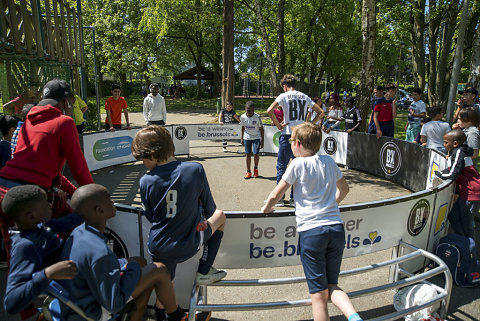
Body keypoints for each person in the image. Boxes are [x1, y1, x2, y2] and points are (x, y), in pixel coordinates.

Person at [261, 122, 363, 321]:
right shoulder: (329, 161)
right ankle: (353, 316)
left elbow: (276, 194)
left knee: (318, 294)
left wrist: (267, 208)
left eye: (291, 141)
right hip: (335, 228)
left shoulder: (297, 164)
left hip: (312, 232)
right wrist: (329, 205)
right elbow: (344, 189)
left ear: (297, 144)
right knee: (331, 285)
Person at [0, 79, 93, 268]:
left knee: (16, 259)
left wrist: (74, 191)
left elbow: (50, 173)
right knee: (75, 221)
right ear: (66, 103)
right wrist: (92, 195)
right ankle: (69, 280)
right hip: (29, 195)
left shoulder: (28, 122)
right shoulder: (64, 122)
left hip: (3, 191)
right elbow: (79, 167)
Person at [58, 184, 186, 321]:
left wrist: (130, 265)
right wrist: (132, 269)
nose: (113, 202)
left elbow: (98, 268)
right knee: (159, 270)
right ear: (99, 210)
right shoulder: (99, 252)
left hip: (82, 300)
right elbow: (113, 304)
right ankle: (177, 316)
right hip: (93, 313)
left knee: (140, 262)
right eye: (109, 199)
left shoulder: (79, 232)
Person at [131, 126, 227, 303]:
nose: (142, 162)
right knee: (220, 216)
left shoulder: (145, 180)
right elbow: (210, 210)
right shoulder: (194, 169)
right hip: (187, 244)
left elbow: (151, 216)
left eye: (142, 158)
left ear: (153, 154)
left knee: (166, 284)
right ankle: (204, 270)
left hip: (158, 245)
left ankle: (163, 316)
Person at [2, 185, 77, 316]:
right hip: (73, 291)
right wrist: (47, 274)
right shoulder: (25, 246)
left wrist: (85, 212)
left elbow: (63, 223)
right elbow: (11, 303)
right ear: (30, 216)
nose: (50, 205)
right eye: (45, 204)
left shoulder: (37, 226)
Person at [266, 74, 324, 205]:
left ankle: (280, 198)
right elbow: (321, 112)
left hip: (288, 135)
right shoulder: (305, 96)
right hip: (302, 136)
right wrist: (309, 124)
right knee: (299, 167)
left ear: (285, 86)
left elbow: (269, 110)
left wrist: (279, 124)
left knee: (282, 166)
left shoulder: (283, 96)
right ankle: (294, 198)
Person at [435, 130, 480, 240]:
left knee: (467, 225)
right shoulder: (457, 152)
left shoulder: (459, 152)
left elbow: (453, 173)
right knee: (453, 216)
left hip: (471, 193)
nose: (444, 145)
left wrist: (439, 174)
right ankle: (463, 241)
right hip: (466, 192)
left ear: (455, 144)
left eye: (446, 142)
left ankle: (469, 250)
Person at [240, 101, 264, 179]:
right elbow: (243, 127)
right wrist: (242, 138)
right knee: (248, 154)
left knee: (256, 153)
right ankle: (248, 171)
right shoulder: (243, 117)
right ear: (245, 109)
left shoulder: (257, 117)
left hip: (256, 137)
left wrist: (262, 140)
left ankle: (256, 169)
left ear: (253, 109)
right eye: (247, 110)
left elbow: (261, 129)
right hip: (247, 137)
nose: (249, 112)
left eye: (250, 110)